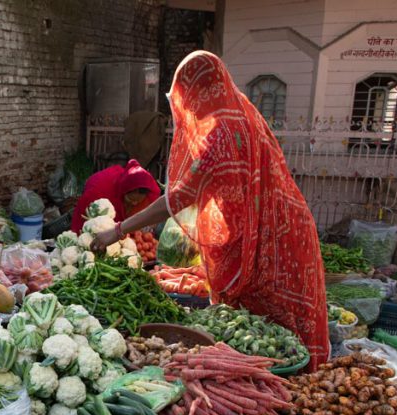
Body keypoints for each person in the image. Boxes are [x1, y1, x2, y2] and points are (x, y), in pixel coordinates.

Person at [92, 51, 330, 369]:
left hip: (266, 241)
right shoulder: (244, 113)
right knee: (282, 325)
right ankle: (296, 384)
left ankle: (285, 391)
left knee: (268, 333)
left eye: (185, 97)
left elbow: (178, 198)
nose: (186, 107)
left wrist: (118, 229)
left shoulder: (218, 133)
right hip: (290, 226)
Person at [71, 159, 160, 233]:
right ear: (124, 192)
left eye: (138, 201)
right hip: (99, 188)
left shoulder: (149, 191)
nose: (134, 203)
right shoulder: (97, 192)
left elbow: (153, 212)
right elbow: (80, 221)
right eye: (130, 200)